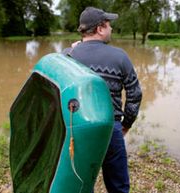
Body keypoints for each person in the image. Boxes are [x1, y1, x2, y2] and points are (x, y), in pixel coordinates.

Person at [63, 7, 142, 193]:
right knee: (118, 184)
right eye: (109, 25)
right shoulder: (120, 57)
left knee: (78, 180)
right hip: (110, 128)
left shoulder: (66, 56)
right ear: (100, 29)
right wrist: (126, 124)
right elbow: (135, 94)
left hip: (75, 128)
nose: (111, 29)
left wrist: (72, 49)